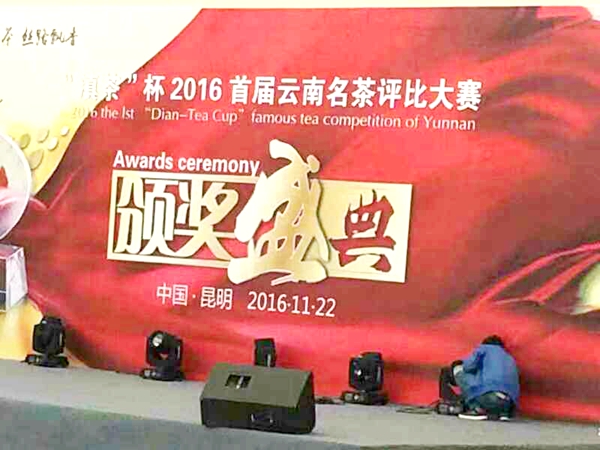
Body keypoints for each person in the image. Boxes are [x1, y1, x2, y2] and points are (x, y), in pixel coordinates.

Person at [443, 335, 519, 421]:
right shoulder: (509, 357)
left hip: (490, 397)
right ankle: (502, 413)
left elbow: (468, 366)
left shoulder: (484, 348)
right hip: (509, 404)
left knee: (459, 371)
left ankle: (477, 409)